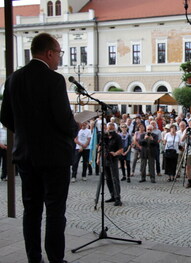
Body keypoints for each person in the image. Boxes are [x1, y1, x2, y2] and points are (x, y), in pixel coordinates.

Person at [0, 33, 79, 263]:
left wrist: (26, 132)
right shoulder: (54, 80)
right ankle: (55, 259)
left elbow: (5, 117)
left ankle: (34, 258)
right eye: (59, 54)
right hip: (54, 157)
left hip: (26, 156)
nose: (59, 59)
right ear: (49, 53)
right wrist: (76, 126)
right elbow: (64, 121)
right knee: (55, 211)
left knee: (31, 211)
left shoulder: (13, 78)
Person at [98, 123, 124, 206]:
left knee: (115, 179)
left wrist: (115, 153)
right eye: (109, 129)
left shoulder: (117, 137)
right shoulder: (104, 136)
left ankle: (117, 198)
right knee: (108, 178)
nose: (110, 130)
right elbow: (100, 147)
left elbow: (121, 149)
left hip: (113, 160)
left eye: (112, 129)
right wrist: (98, 158)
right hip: (105, 159)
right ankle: (112, 195)